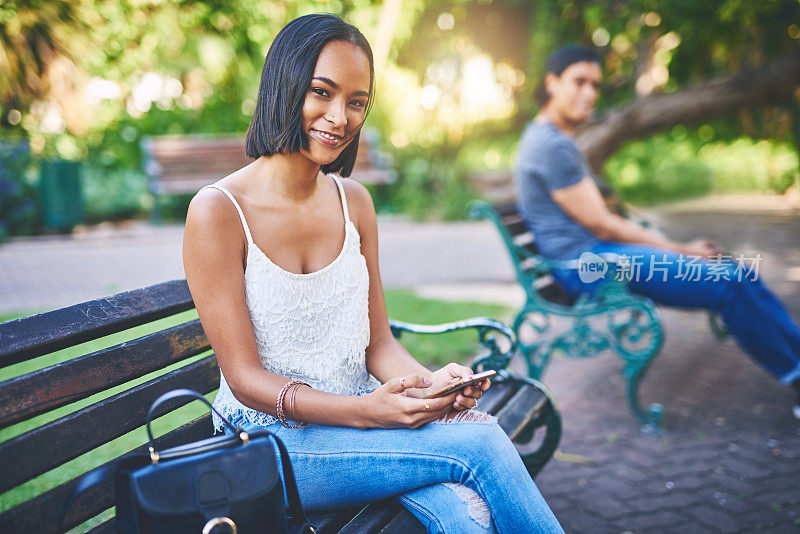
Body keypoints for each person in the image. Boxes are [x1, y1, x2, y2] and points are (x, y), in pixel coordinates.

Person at [183, 14, 563, 534]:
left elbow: (377, 344)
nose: (339, 117)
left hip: (359, 431)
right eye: (322, 92)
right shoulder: (218, 212)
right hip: (268, 445)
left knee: (462, 512)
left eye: (357, 102)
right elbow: (245, 380)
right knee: (480, 443)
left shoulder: (354, 203)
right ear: (284, 86)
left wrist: (432, 387)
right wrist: (367, 413)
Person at [515, 45, 800, 419]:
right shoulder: (551, 146)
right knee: (726, 280)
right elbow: (602, 224)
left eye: (595, 85)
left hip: (595, 258)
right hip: (589, 266)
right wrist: (680, 248)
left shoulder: (550, 139)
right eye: (578, 81)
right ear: (552, 83)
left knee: (737, 272)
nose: (588, 93)